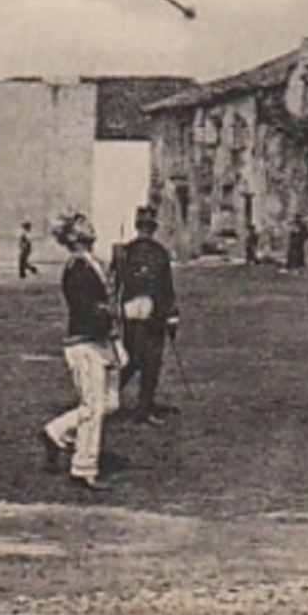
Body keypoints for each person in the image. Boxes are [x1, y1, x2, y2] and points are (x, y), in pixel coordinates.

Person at [39, 213, 121, 492]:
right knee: (93, 407)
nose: (91, 227)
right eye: (83, 226)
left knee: (111, 403)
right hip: (85, 343)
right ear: (75, 237)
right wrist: (115, 313)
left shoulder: (92, 264)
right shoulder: (77, 269)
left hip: (100, 341)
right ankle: (83, 467)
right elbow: (88, 308)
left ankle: (56, 431)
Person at [115, 206, 180, 426]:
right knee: (136, 361)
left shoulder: (152, 252)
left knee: (144, 362)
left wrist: (171, 313)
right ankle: (109, 397)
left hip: (151, 314)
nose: (145, 231)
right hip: (137, 313)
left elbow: (166, 287)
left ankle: (142, 407)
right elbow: (117, 285)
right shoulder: (126, 252)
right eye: (143, 227)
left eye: (148, 227)